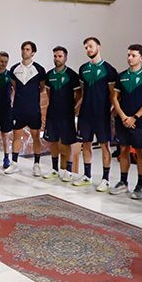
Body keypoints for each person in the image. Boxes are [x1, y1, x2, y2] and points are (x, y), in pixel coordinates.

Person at [109, 44, 142, 199]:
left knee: (140, 152)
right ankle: (123, 182)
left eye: (133, 55)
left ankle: (140, 185)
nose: (130, 58)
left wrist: (134, 117)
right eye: (128, 55)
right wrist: (123, 117)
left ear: (141, 57)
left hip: (139, 120)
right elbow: (114, 97)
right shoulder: (121, 76)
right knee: (123, 150)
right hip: (123, 119)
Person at [75, 36, 119, 190]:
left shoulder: (109, 70)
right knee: (85, 144)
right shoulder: (83, 69)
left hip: (102, 114)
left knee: (105, 145)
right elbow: (82, 92)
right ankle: (87, 176)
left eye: (91, 46)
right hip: (86, 114)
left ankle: (106, 179)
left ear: (99, 47)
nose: (88, 49)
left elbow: (113, 94)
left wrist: (113, 111)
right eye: (86, 47)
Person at [42, 46, 81, 182]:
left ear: (65, 58)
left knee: (67, 142)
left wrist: (74, 107)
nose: (57, 59)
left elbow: (79, 94)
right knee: (53, 141)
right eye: (55, 56)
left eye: (60, 56)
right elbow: (48, 93)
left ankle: (68, 170)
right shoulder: (49, 75)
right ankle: (54, 169)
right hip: (53, 113)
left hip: (67, 114)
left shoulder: (72, 75)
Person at [9, 41, 47, 176]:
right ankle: (14, 163)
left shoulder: (40, 69)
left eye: (27, 49)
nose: (24, 51)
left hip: (33, 109)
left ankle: (36, 164)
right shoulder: (14, 68)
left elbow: (42, 87)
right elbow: (14, 85)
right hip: (18, 109)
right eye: (23, 49)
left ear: (33, 53)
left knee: (36, 137)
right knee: (16, 136)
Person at [0, 51, 18, 174]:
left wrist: (12, 99)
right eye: (1, 61)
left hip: (6, 108)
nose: (3, 64)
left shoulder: (10, 74)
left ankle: (6, 157)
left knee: (5, 134)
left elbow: (16, 87)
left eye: (6, 62)